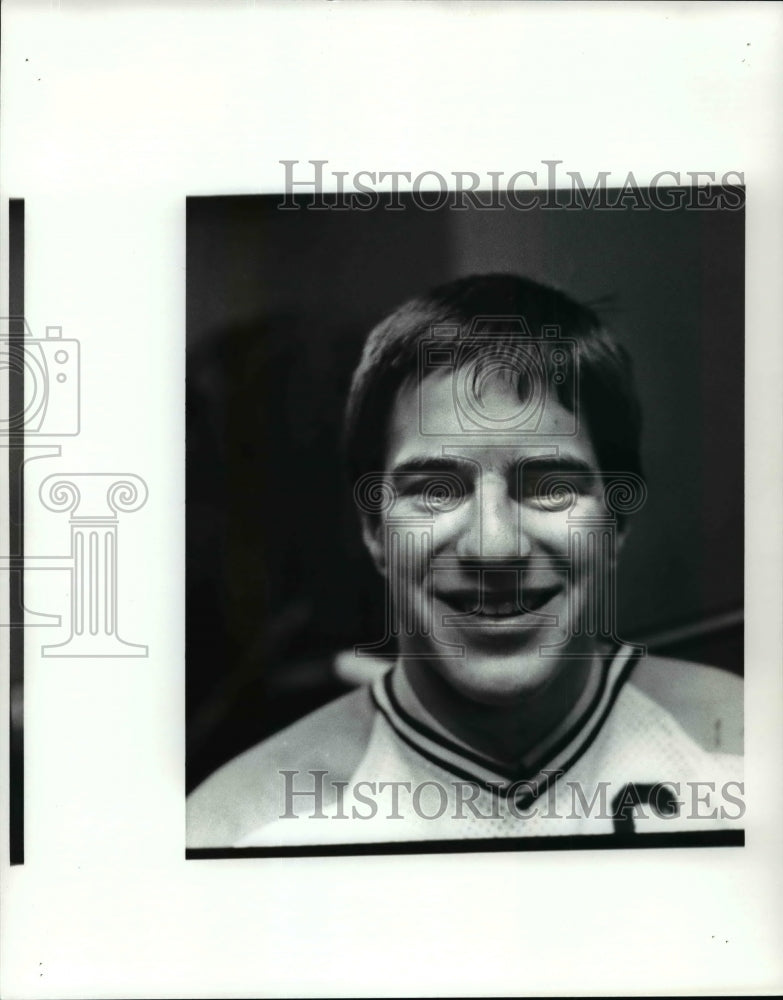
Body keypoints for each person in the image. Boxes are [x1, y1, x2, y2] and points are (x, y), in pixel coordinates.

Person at [187, 273, 743, 847]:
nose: (494, 549)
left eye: (549, 484)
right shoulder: (240, 833)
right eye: (435, 489)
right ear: (374, 530)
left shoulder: (748, 760)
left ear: (616, 521)